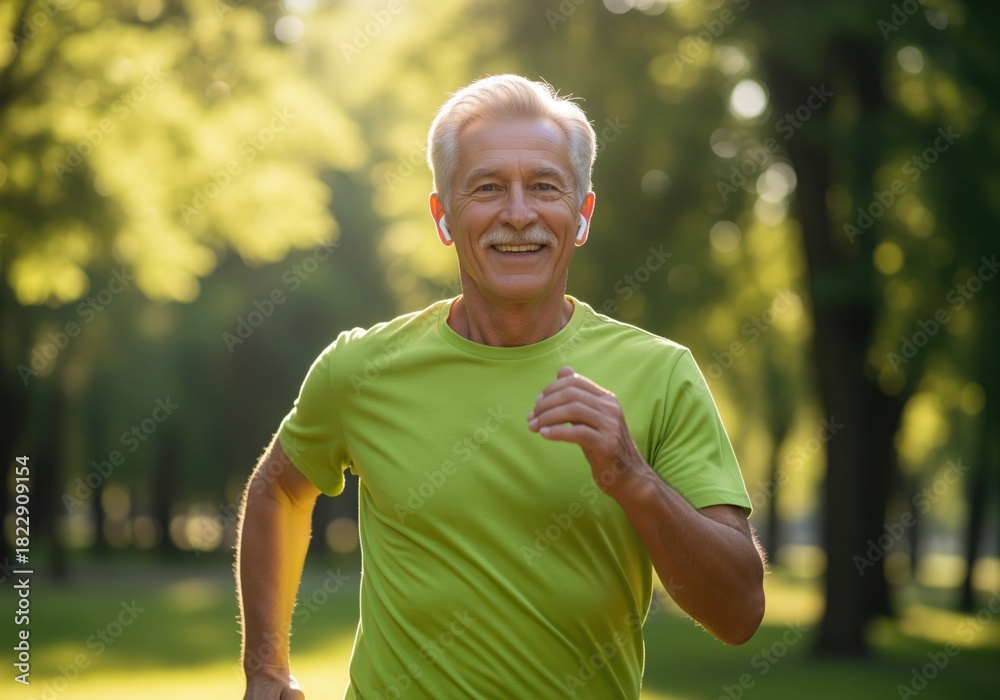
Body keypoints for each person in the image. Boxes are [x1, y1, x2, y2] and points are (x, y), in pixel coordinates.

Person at [236, 74, 765, 700]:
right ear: (443, 217)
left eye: (544, 186)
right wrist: (266, 669)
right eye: (488, 188)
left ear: (582, 214)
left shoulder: (661, 374)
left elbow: (738, 614)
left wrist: (634, 479)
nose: (519, 213)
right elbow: (280, 491)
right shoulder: (360, 369)